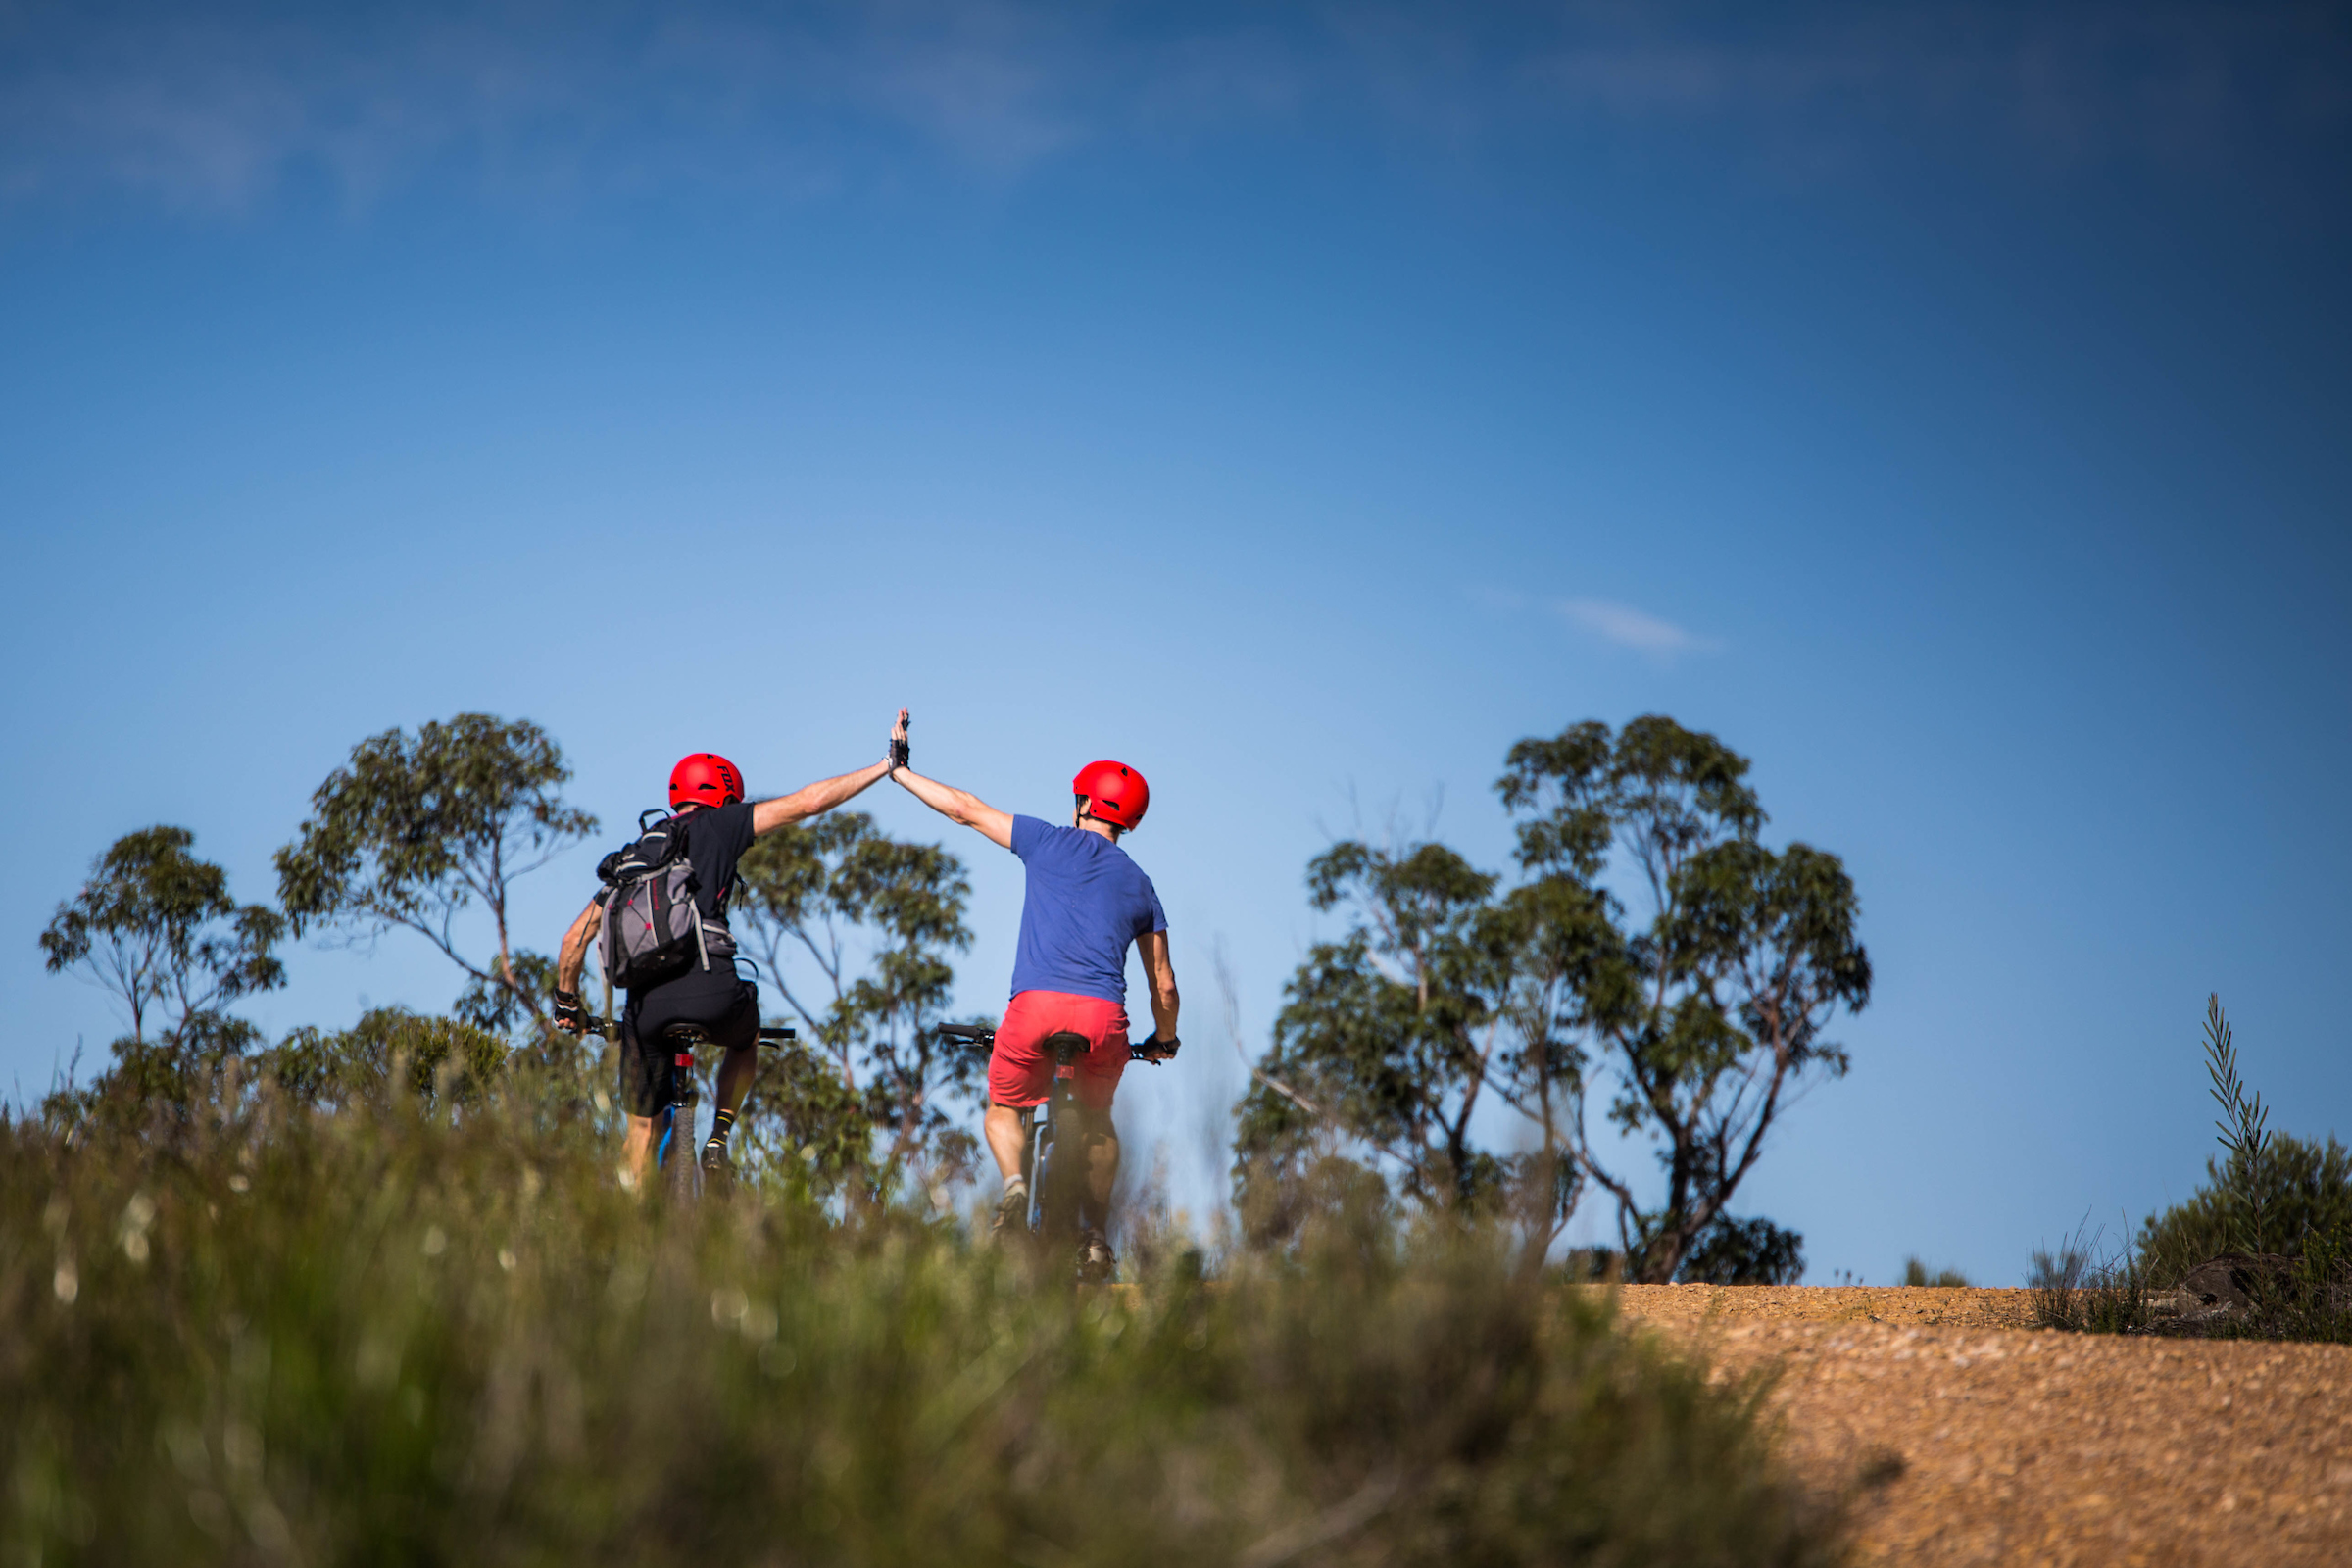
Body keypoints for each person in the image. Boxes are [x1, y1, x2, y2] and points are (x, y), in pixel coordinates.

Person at [554, 710, 911, 1185]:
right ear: (724, 795)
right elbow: (810, 802)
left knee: (639, 1131)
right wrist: (885, 765)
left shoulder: (634, 857)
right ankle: (718, 1138)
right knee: (745, 1039)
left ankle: (629, 1220)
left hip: (645, 1010)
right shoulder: (721, 824)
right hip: (713, 993)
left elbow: (574, 939)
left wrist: (567, 1003)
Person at [888, 752, 1179, 1274]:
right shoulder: (1141, 884)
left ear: (1083, 803)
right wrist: (1165, 1039)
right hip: (1103, 1020)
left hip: (1033, 1012)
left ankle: (1015, 1188)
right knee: (1099, 1122)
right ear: (1129, 821)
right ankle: (1095, 1234)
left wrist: (901, 773)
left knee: (1003, 1107)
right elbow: (1164, 984)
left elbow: (964, 809)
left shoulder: (1046, 841)